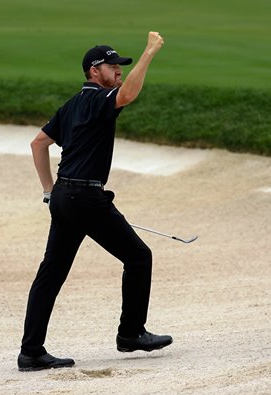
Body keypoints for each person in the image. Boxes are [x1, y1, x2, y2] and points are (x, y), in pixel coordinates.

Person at [18, 32, 172, 372]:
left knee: (51, 274)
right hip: (85, 197)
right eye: (112, 66)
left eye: (120, 66)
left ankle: (31, 352)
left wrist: (48, 189)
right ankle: (130, 334)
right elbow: (129, 94)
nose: (117, 70)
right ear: (93, 71)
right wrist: (148, 52)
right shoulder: (95, 100)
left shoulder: (73, 104)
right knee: (139, 256)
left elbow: (39, 143)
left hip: (64, 196)